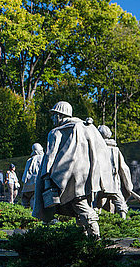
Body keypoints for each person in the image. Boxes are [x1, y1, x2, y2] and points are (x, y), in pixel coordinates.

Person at [33, 101, 116, 237]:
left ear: (60, 115)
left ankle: (95, 238)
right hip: (88, 176)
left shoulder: (55, 132)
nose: (53, 119)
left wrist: (46, 177)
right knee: (77, 206)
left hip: (66, 177)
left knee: (79, 205)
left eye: (54, 115)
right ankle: (83, 237)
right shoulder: (87, 127)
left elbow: (50, 157)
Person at [95, 125, 133, 219]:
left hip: (99, 182)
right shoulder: (115, 150)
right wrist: (128, 185)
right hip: (113, 182)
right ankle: (123, 221)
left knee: (95, 204)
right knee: (120, 203)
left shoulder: (96, 149)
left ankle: (95, 223)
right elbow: (124, 168)